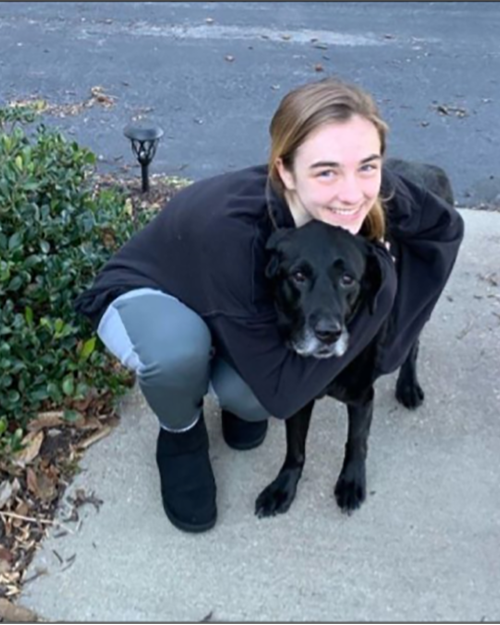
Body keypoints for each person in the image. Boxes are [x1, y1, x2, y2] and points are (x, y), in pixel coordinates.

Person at [74, 77, 464, 533]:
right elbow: (282, 394)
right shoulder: (231, 235)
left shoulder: (365, 192)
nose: (353, 193)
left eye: (367, 166)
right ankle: (180, 435)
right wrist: (383, 290)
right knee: (181, 351)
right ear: (284, 170)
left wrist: (400, 331)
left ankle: (233, 394)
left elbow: (445, 229)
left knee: (247, 395)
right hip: (149, 292)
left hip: (227, 300)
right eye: (325, 171)